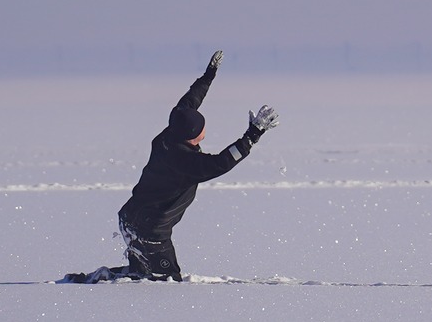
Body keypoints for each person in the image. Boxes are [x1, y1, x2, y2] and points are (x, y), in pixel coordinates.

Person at [67, 51, 278, 282]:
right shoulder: (185, 161)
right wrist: (252, 136)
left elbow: (189, 101)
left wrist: (208, 75)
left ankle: (97, 279)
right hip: (150, 231)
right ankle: (96, 282)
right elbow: (221, 162)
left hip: (130, 218)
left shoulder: (171, 131)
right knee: (166, 281)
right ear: (195, 135)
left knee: (143, 275)